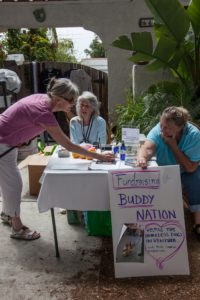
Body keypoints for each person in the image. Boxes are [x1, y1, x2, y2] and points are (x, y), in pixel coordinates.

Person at [0, 78, 114, 241]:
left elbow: (21, 121)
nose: (73, 105)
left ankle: (7, 213)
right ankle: (16, 228)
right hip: (2, 143)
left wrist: (21, 136)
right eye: (72, 101)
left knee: (7, 182)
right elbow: (68, 145)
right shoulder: (43, 112)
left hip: (8, 142)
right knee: (14, 184)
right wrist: (100, 156)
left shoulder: (41, 99)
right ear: (59, 99)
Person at [136, 106, 200, 238]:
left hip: (186, 169)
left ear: (179, 128)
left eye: (167, 128)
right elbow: (147, 148)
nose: (162, 130)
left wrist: (173, 145)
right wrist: (142, 157)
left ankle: (198, 222)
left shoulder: (193, 135)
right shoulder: (158, 130)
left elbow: (191, 167)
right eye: (161, 125)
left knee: (195, 179)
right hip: (165, 169)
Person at [69, 91, 112, 235]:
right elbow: (74, 143)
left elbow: (101, 142)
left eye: (87, 105)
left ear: (93, 107)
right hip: (80, 157)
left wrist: (88, 148)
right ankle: (76, 209)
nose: (83, 108)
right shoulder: (74, 121)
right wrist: (86, 148)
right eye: (81, 105)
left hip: (96, 156)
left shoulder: (99, 121)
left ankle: (94, 208)